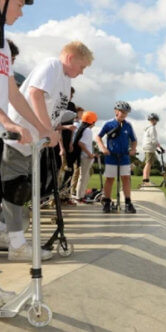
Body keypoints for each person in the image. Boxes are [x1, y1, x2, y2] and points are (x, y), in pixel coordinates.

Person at [2, 39, 93, 261]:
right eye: (81, 67)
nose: (81, 73)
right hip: (18, 138)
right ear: (70, 58)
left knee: (17, 191)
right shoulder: (52, 66)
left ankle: (10, 237)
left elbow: (52, 109)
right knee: (14, 190)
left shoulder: (63, 80)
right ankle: (17, 245)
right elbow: (34, 94)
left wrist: (51, 131)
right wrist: (44, 129)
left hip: (32, 143)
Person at [0, 0, 37, 304]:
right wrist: (7, 122)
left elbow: (12, 92)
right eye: (21, 4)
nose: (22, 12)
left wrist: (42, 128)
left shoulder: (2, 42)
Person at [96, 101, 137, 214]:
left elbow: (134, 140)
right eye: (122, 112)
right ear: (116, 111)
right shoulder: (109, 124)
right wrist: (103, 148)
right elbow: (98, 137)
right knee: (110, 179)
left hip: (124, 157)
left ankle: (128, 202)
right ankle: (107, 201)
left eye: (126, 113)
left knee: (126, 179)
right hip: (111, 157)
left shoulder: (128, 125)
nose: (124, 114)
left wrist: (133, 149)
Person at [73, 111, 97, 202]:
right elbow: (81, 143)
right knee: (83, 177)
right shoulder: (88, 131)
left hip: (85, 156)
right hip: (86, 157)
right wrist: (90, 154)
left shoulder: (84, 129)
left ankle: (81, 195)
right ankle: (79, 196)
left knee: (85, 177)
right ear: (92, 121)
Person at [141, 113, 164, 187]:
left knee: (148, 163)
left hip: (147, 146)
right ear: (152, 120)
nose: (155, 122)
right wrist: (160, 147)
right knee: (149, 163)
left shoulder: (147, 128)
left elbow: (150, 139)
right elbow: (154, 139)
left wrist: (156, 149)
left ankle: (145, 180)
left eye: (156, 120)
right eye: (155, 120)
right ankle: (146, 181)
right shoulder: (152, 128)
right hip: (149, 147)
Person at [70, 106, 84, 196]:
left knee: (77, 171)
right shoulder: (76, 125)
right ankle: (72, 190)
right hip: (75, 150)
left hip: (78, 150)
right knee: (76, 171)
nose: (82, 115)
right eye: (81, 113)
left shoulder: (79, 124)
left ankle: (73, 189)